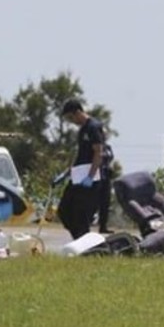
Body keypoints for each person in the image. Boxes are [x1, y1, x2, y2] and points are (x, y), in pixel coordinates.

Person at [58, 99, 106, 240]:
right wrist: (67, 172)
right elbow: (80, 154)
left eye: (71, 118)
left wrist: (90, 177)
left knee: (81, 214)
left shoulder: (93, 127)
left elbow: (98, 152)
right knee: (64, 210)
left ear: (78, 112)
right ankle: (78, 239)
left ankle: (85, 243)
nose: (72, 121)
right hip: (78, 176)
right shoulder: (82, 130)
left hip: (90, 177)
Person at [96, 142, 116, 234]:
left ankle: (103, 226)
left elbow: (110, 158)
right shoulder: (94, 145)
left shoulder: (108, 147)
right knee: (93, 202)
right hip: (96, 176)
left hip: (106, 177)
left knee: (105, 203)